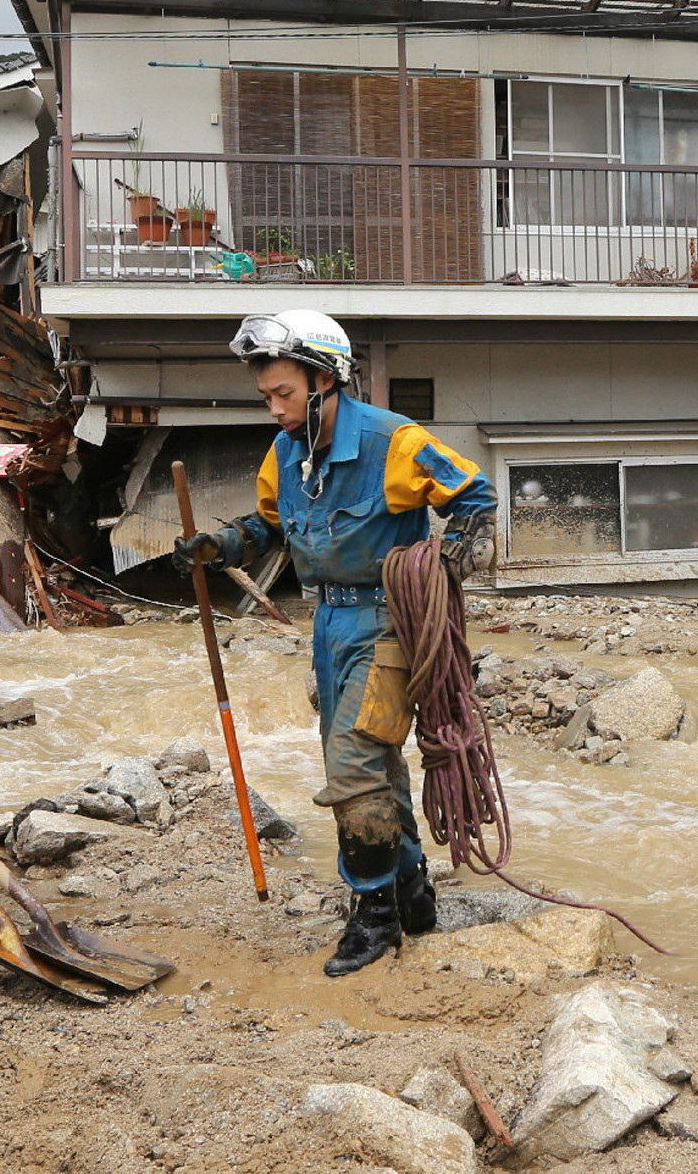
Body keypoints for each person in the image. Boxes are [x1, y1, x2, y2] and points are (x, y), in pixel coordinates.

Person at [177, 309, 496, 976]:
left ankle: (373, 915)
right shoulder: (285, 454)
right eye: (265, 396)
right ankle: (412, 893)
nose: (274, 409)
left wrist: (446, 567)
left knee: (352, 766)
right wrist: (218, 546)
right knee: (376, 766)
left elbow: (475, 496)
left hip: (391, 621)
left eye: (283, 394)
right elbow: (268, 529)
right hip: (329, 625)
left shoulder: (395, 442)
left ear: (324, 379)